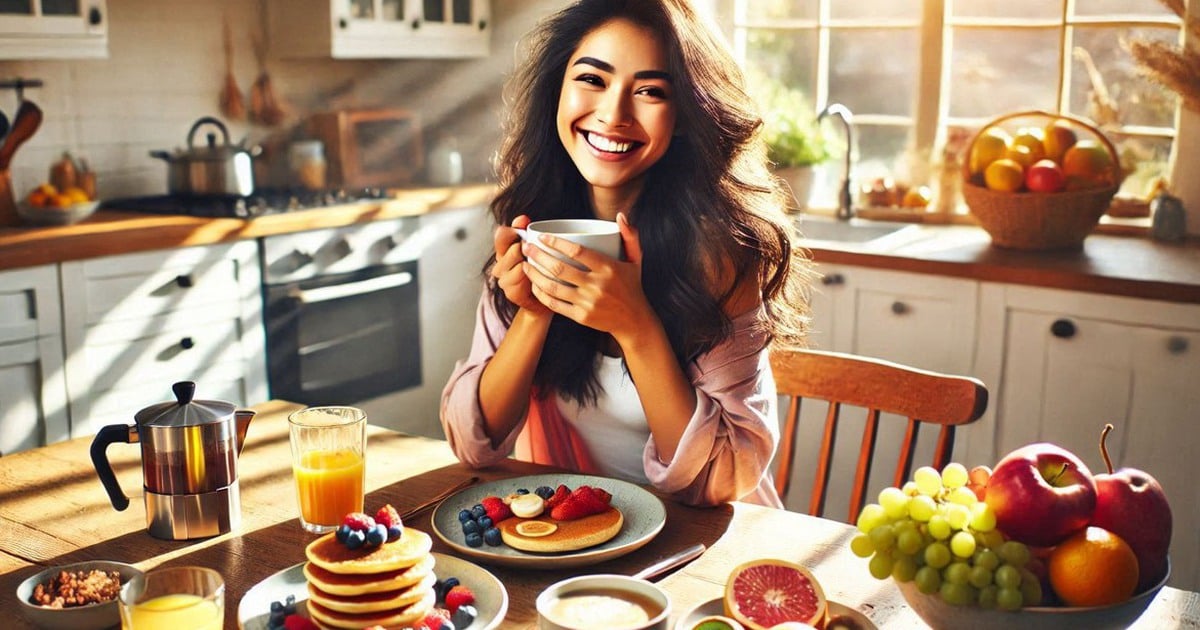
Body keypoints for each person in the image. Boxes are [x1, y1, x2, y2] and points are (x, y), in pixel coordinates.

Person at [440, 0, 813, 507]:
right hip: (581, 536)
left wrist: (635, 324)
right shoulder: (533, 226)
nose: (613, 114)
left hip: (701, 547)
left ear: (684, 115)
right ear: (558, 90)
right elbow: (473, 446)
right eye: (592, 80)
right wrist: (531, 314)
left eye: (650, 92)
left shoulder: (720, 255)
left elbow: (724, 478)